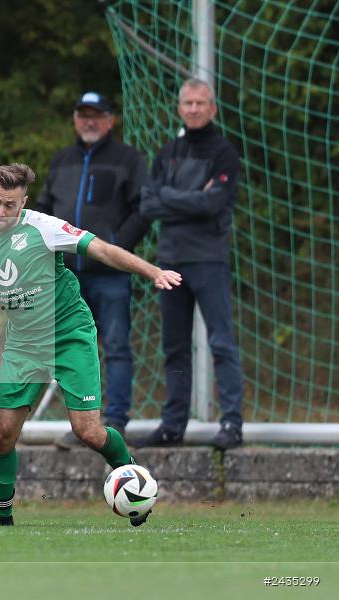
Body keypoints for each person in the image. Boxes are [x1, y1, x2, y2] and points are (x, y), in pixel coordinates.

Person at [0, 162, 181, 526]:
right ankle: (0, 514)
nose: (1, 212)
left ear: (25, 202)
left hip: (69, 334)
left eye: (10, 205)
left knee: (88, 431)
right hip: (24, 343)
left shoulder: (44, 228)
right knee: (1, 435)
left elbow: (103, 250)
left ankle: (132, 480)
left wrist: (153, 271)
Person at [35, 92, 149, 448]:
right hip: (66, 278)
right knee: (71, 347)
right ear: (74, 119)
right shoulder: (60, 161)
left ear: (110, 119)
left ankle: (115, 421)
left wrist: (115, 247)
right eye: (83, 114)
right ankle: (80, 423)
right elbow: (41, 210)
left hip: (110, 276)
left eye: (96, 115)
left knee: (115, 345)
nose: (89, 121)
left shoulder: (128, 159)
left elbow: (142, 210)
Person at [138, 78, 244, 451]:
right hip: (169, 262)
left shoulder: (225, 153)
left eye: (201, 103)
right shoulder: (167, 152)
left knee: (221, 342)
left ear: (213, 108)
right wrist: (185, 199)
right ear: (179, 107)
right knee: (175, 346)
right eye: (188, 103)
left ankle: (231, 423)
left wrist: (169, 199)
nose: (194, 108)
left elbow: (212, 204)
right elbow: (148, 204)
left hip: (208, 259)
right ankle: (172, 425)